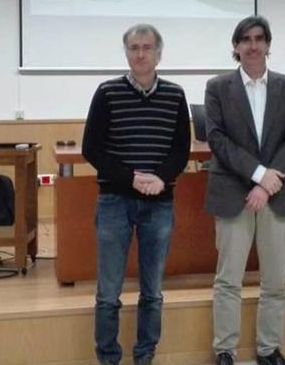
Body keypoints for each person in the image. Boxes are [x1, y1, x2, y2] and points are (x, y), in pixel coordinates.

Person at [82, 24, 192, 365]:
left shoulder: (175, 95)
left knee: (152, 293)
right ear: (126, 53)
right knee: (108, 293)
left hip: (159, 204)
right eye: (134, 48)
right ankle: (108, 359)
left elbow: (181, 149)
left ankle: (145, 356)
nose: (141, 54)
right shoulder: (107, 93)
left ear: (159, 53)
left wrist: (160, 178)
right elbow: (92, 149)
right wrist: (132, 178)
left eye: (147, 48)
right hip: (115, 201)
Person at [205, 15, 285, 365]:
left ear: (268, 44)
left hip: (277, 193)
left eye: (259, 38)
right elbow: (217, 138)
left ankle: (268, 349)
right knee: (228, 279)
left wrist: (268, 181)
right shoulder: (218, 87)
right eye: (245, 39)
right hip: (235, 193)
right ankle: (225, 350)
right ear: (236, 46)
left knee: (275, 279)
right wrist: (260, 175)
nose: (253, 45)